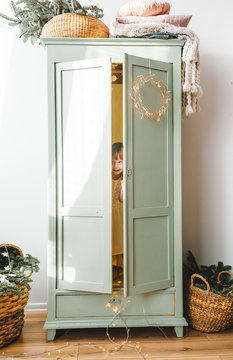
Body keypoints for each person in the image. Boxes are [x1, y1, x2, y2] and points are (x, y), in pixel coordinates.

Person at [112, 142, 124, 285]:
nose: (116, 166)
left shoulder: (122, 180)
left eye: (120, 162)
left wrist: (123, 186)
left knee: (118, 240)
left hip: (117, 215)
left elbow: (121, 199)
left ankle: (117, 271)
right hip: (107, 214)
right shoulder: (105, 177)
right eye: (113, 162)